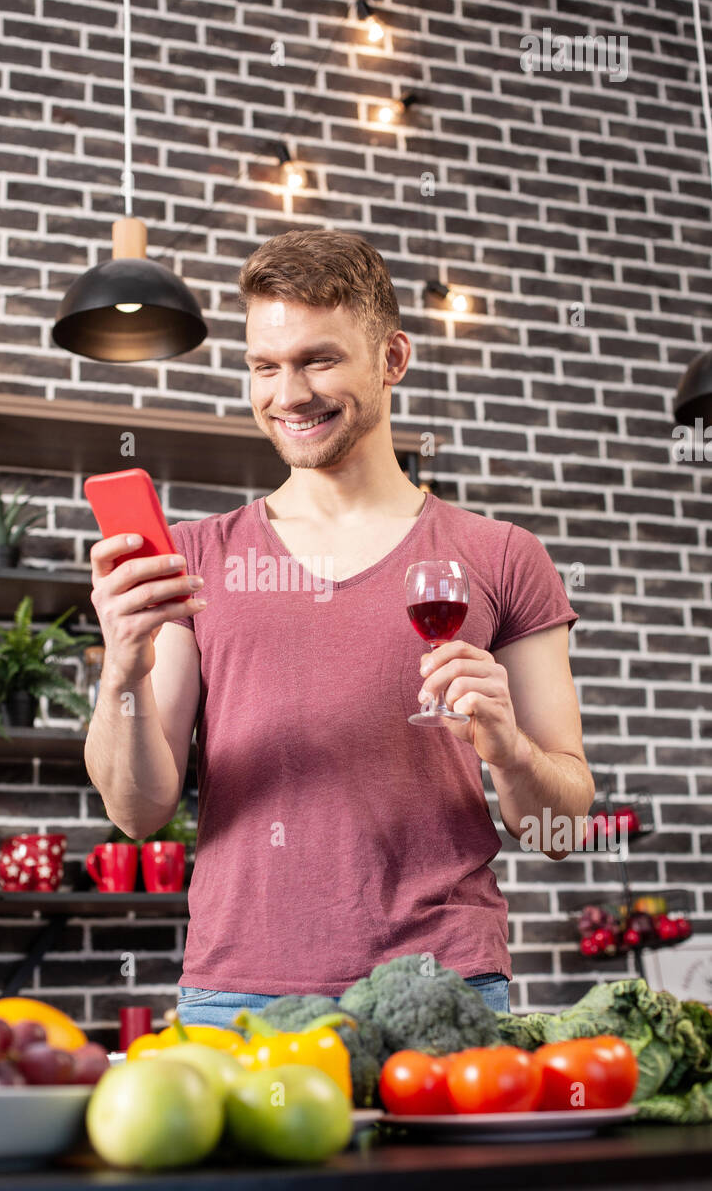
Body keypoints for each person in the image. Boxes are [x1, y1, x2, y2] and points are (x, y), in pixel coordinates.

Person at [86, 229, 595, 1029]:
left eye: (319, 360)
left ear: (392, 358)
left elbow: (564, 829)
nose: (287, 394)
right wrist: (120, 671)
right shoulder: (193, 557)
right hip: (237, 995)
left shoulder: (503, 556)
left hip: (441, 991)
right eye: (264, 366)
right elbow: (136, 811)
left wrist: (510, 750)